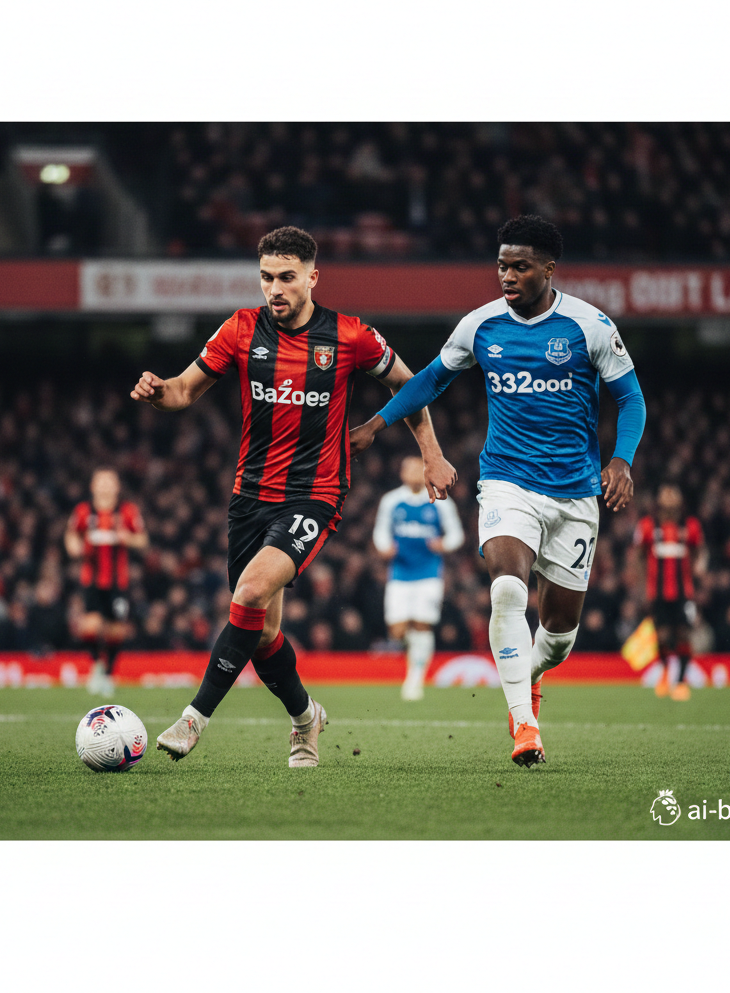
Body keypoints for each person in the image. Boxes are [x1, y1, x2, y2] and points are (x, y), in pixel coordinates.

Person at [130, 226, 456, 768]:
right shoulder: (239, 328)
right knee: (261, 634)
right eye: (265, 278)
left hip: (314, 496)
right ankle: (306, 719)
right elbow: (182, 390)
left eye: (285, 277)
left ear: (312, 277)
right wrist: (157, 390)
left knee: (250, 592)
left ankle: (193, 718)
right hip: (248, 498)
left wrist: (430, 455)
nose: (274, 288)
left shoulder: (350, 336)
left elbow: (414, 384)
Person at [351, 214, 646, 767]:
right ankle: (525, 726)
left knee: (557, 635)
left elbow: (631, 400)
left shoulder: (590, 326)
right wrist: (377, 423)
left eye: (520, 266)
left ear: (548, 268)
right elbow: (431, 378)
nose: (507, 275)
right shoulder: (480, 325)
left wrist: (622, 460)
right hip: (506, 483)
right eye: (502, 265)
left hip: (576, 494)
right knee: (508, 590)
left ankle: (526, 678)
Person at [373, 455, 464, 699]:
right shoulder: (391, 501)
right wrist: (384, 547)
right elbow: (380, 531)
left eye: (417, 468)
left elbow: (456, 534)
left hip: (429, 573)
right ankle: (414, 666)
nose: (413, 472)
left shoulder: (441, 501)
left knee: (422, 623)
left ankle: (415, 679)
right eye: (408, 468)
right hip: (399, 572)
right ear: (402, 473)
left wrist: (444, 544)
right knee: (398, 630)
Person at [64, 467, 149, 696]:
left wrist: (128, 538)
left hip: (118, 582)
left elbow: (142, 539)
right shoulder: (83, 511)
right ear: (92, 486)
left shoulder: (127, 511)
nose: (104, 485)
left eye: (109, 481)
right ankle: (97, 667)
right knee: (90, 626)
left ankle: (109, 674)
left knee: (116, 631)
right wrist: (74, 546)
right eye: (100, 481)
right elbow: (71, 534)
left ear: (117, 486)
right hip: (91, 580)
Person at [635, 484, 706, 700]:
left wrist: (700, 568)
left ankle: (681, 682)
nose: (669, 510)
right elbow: (638, 556)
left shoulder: (690, 526)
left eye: (673, 505)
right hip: (657, 593)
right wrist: (640, 586)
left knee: (683, 634)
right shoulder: (648, 526)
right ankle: (666, 673)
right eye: (666, 505)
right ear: (659, 505)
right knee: (663, 637)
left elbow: (700, 551)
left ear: (679, 505)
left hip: (684, 593)